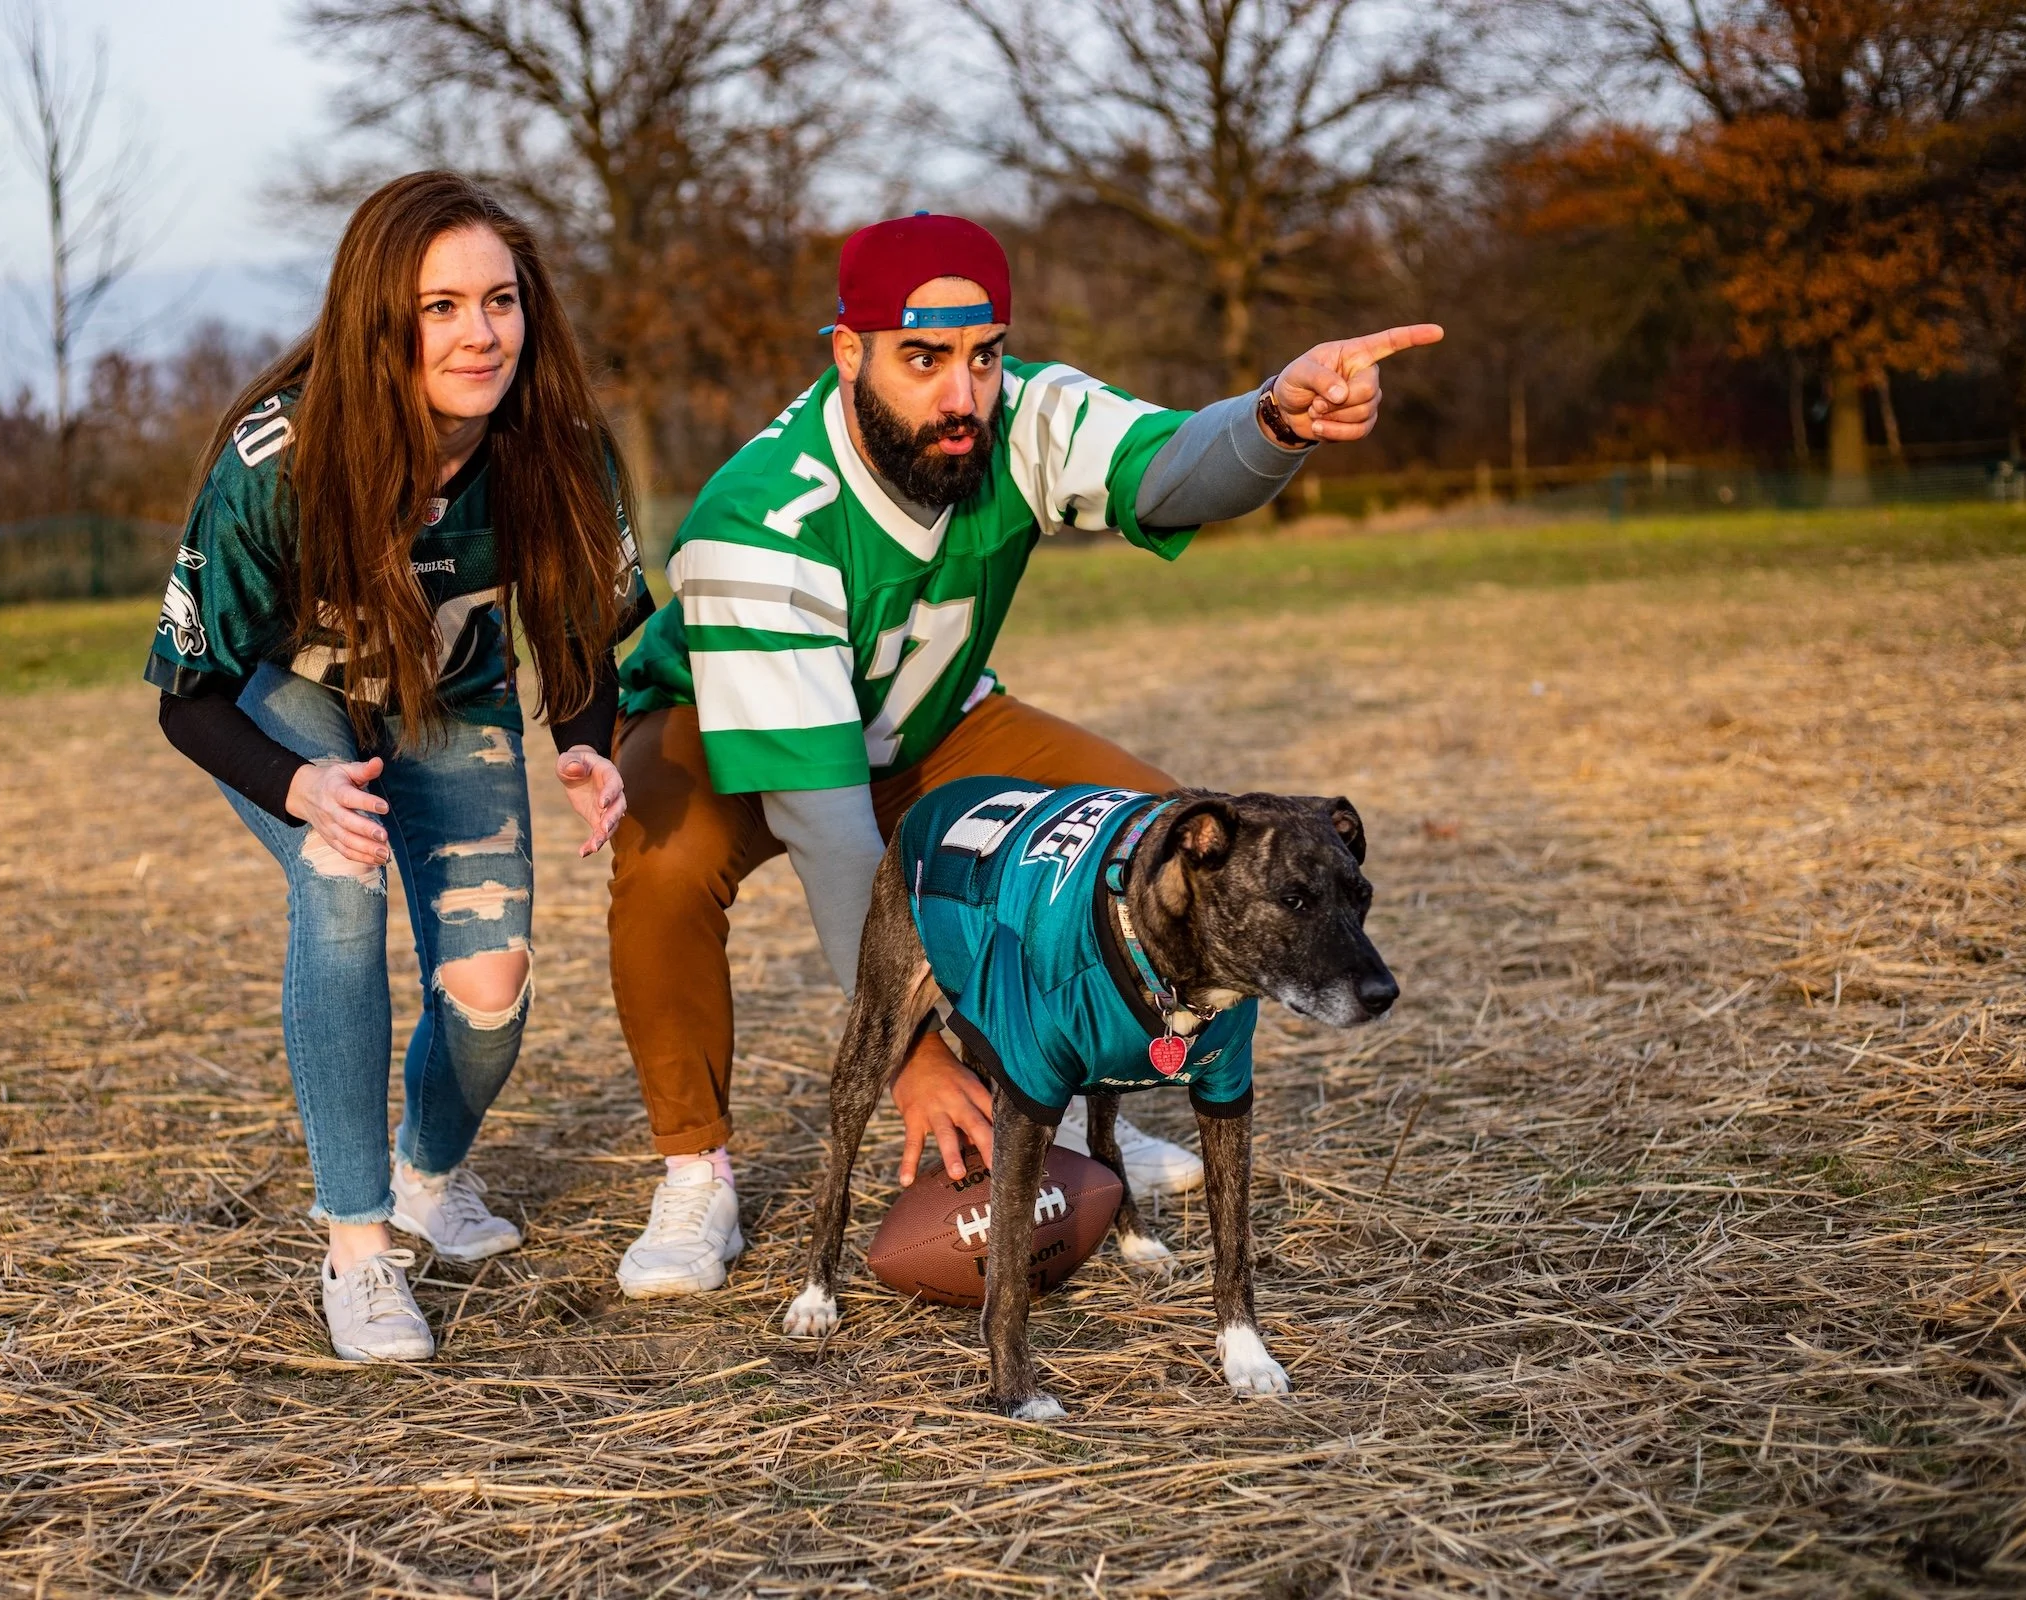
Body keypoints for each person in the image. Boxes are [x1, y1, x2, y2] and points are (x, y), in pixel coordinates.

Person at [607, 212, 1440, 1296]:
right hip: (734, 732)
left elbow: (1170, 471)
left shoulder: (1021, 411)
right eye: (923, 358)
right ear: (846, 353)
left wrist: (1277, 418)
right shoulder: (759, 523)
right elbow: (825, 821)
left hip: (934, 717)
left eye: (984, 354)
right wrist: (913, 1057)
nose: (963, 394)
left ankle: (1083, 1092)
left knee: (1157, 833)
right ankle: (694, 1168)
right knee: (663, 862)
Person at [146, 172, 651, 1360]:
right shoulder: (278, 458)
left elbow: (575, 636)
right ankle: (359, 1245)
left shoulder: (562, 442)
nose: (480, 333)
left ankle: (430, 1179)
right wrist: (295, 784)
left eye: (501, 300)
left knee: (490, 994)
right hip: (290, 706)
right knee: (341, 881)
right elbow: (188, 696)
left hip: (451, 699)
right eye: (440, 306)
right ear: (382, 317)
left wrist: (584, 742)